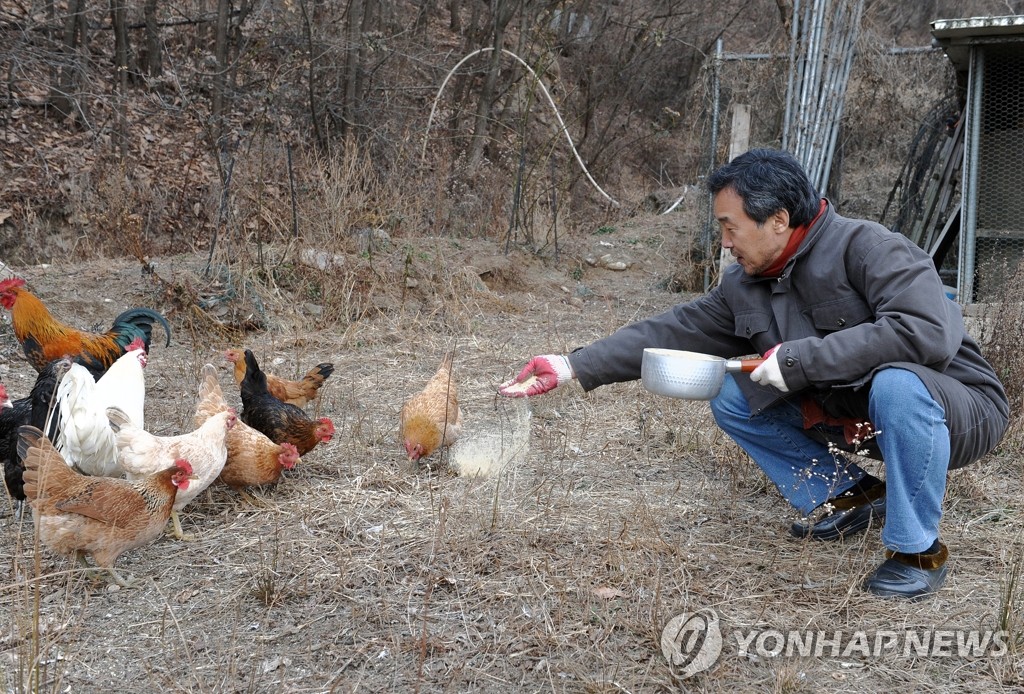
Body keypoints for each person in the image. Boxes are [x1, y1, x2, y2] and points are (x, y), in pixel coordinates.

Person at [499, 148, 1009, 601]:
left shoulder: (871, 248)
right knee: (731, 394)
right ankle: (852, 494)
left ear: (779, 219)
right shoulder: (742, 285)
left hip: (955, 408)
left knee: (898, 386)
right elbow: (676, 329)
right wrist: (571, 365)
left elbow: (924, 333)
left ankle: (918, 552)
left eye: (729, 226)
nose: (724, 242)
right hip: (856, 416)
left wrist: (798, 361)